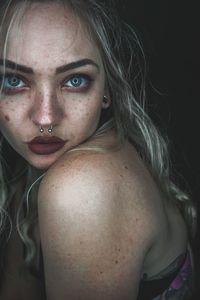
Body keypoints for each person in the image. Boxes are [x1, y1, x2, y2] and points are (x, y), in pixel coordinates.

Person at [0, 0, 197, 299]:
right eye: (14, 81)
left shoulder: (82, 186)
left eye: (75, 80)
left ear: (107, 90)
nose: (45, 118)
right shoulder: (28, 175)